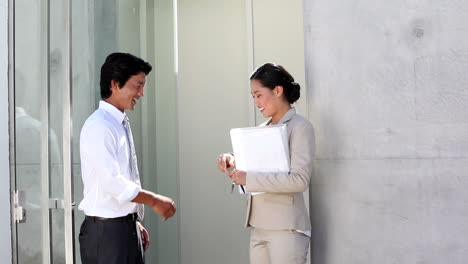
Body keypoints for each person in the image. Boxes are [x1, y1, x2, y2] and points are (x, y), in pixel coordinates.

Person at [78, 52, 176, 264]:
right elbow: (112, 182)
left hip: (120, 230)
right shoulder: (100, 126)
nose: (141, 93)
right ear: (115, 84)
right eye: (137, 86)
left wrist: (132, 222)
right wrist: (154, 200)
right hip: (107, 236)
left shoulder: (118, 122)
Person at [217, 63, 315, 264]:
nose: (255, 101)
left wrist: (248, 178)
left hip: (286, 228)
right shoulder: (262, 129)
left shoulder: (300, 127)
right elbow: (261, 168)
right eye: (253, 96)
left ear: (278, 90)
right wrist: (233, 161)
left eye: (259, 94)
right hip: (258, 225)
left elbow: (299, 181)